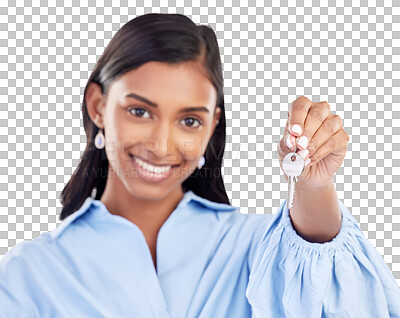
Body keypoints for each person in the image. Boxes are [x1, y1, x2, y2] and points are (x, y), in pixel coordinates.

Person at [0, 13, 399, 318]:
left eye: (189, 120)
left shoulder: (255, 250)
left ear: (212, 125)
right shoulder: (29, 275)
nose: (161, 144)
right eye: (140, 111)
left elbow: (343, 299)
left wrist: (313, 185)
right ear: (98, 106)